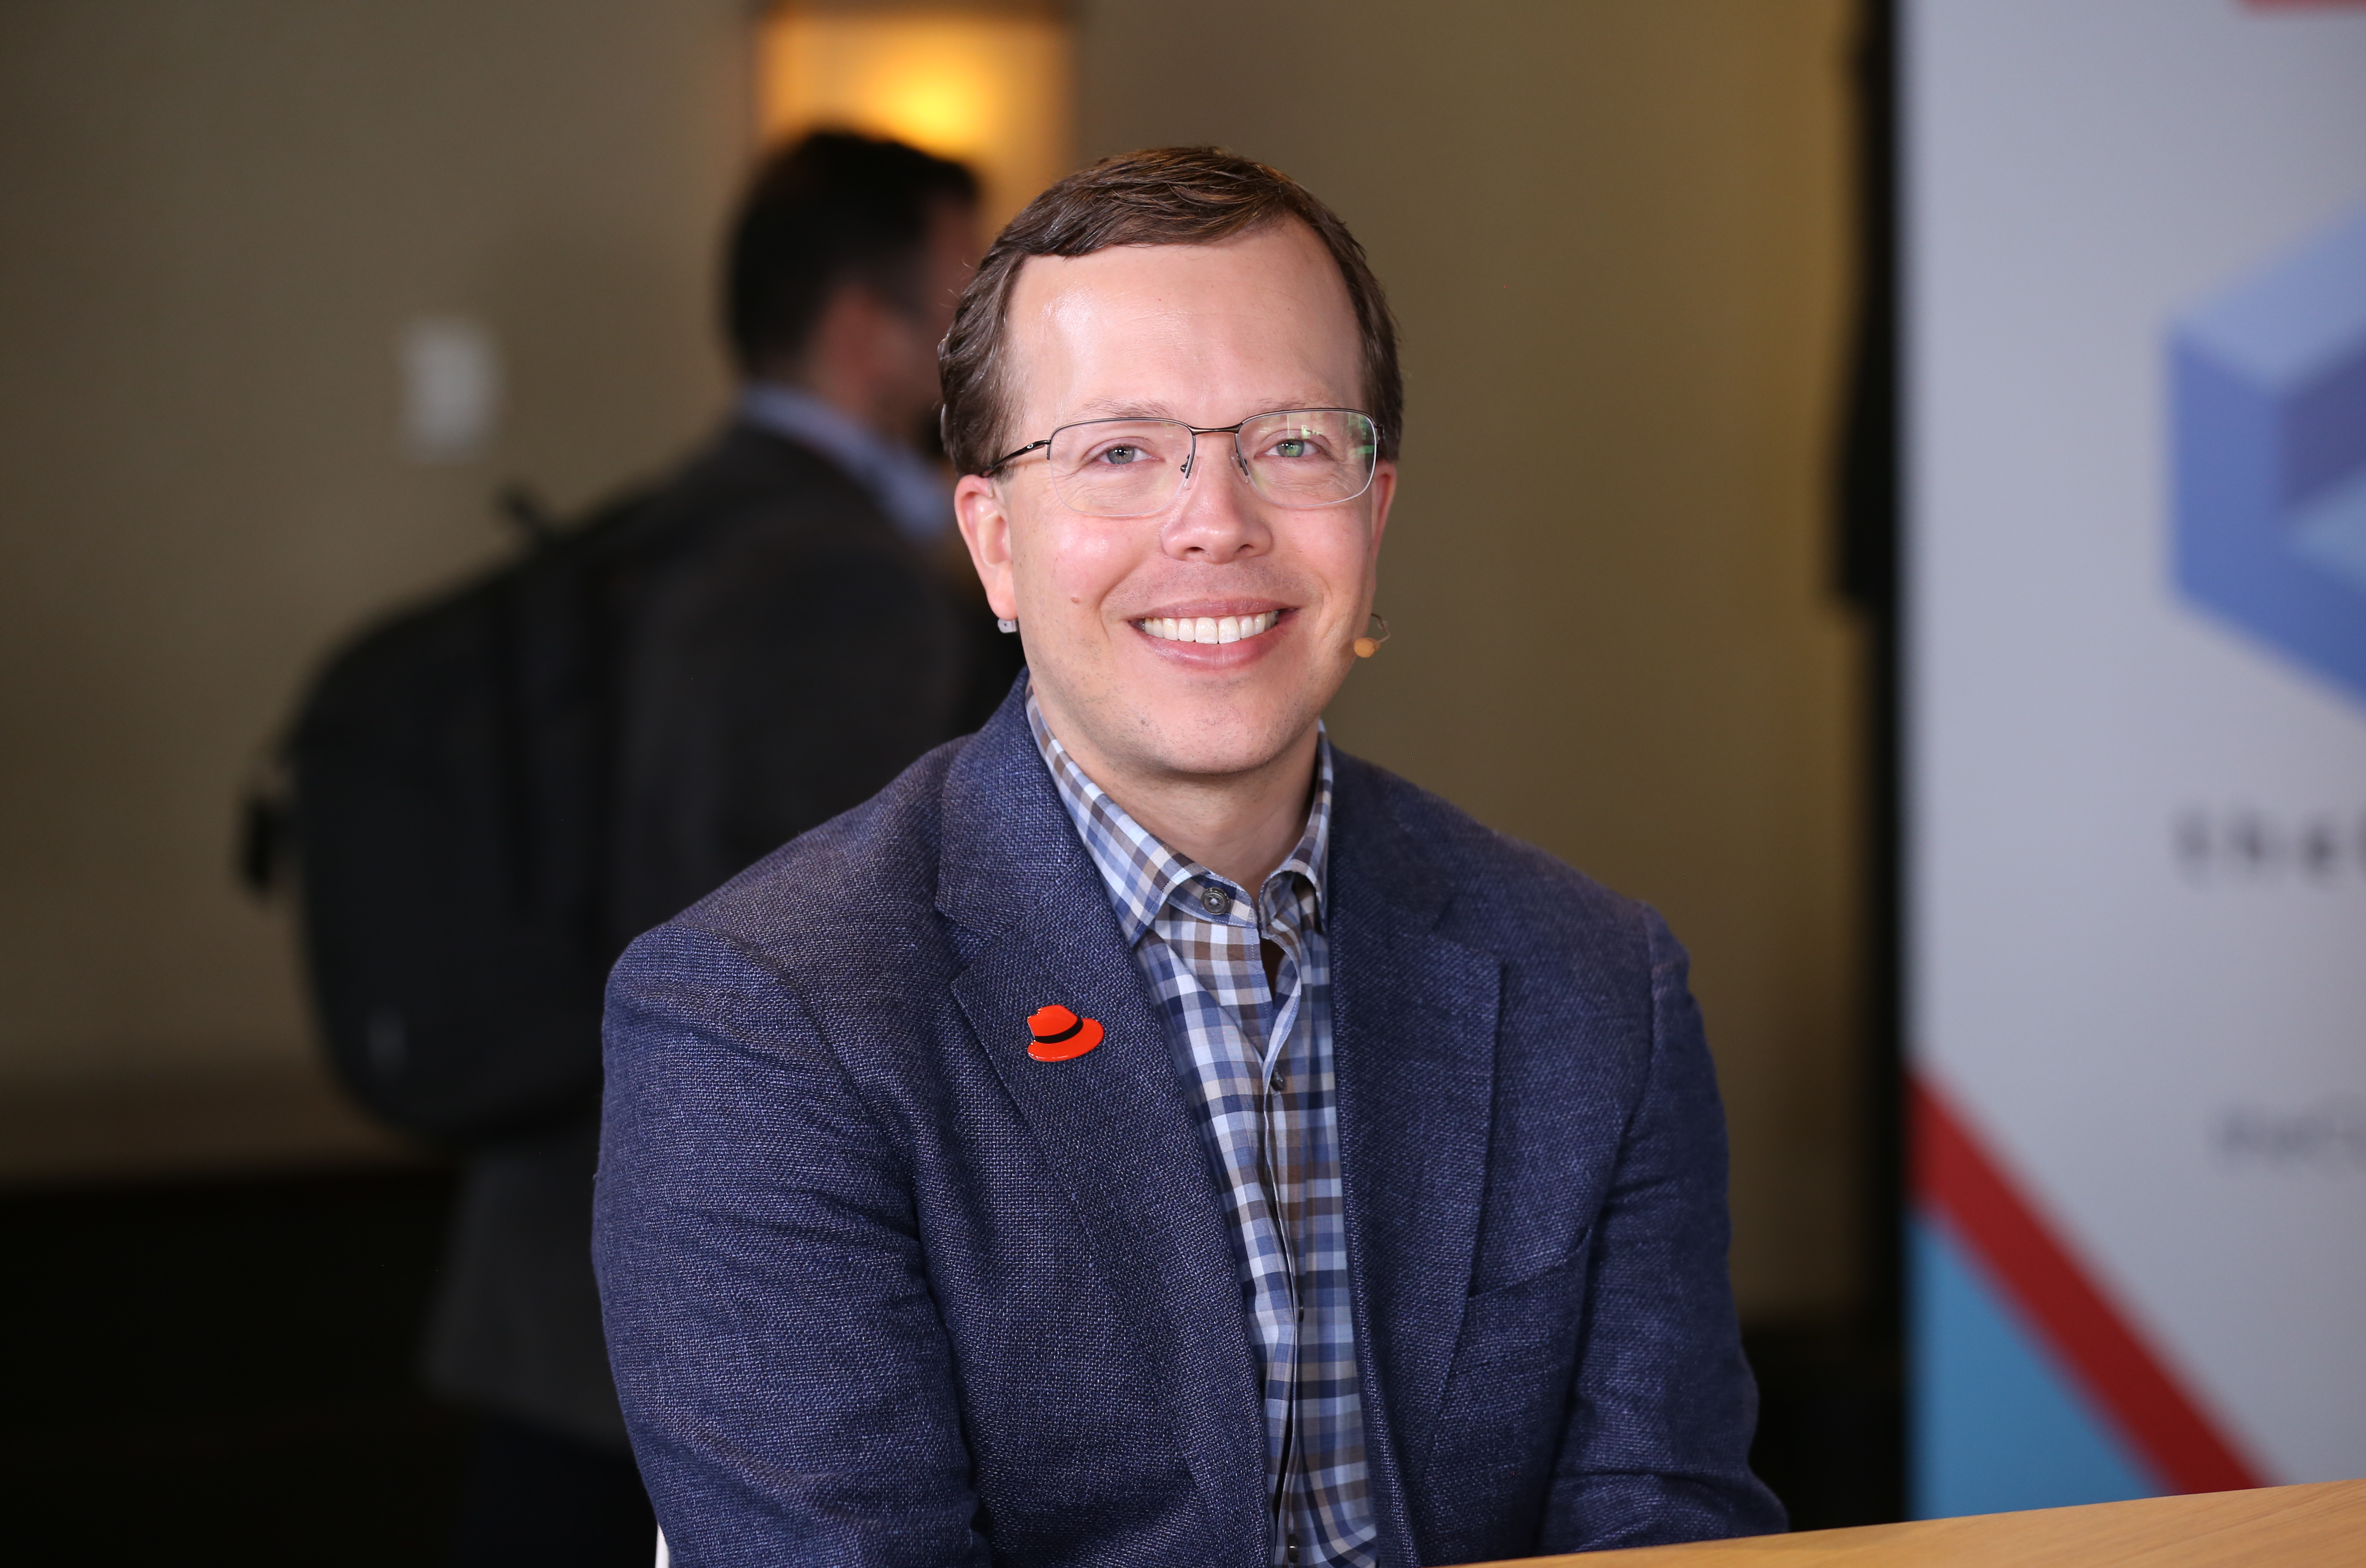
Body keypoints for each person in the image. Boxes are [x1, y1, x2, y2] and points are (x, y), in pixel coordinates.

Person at [594, 147, 1785, 1567]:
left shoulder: (1597, 985)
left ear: (1375, 512)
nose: (1215, 524)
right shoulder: (762, 1024)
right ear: (994, 546)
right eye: (1120, 453)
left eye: (1291, 443)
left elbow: (1664, 1530)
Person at [425, 131, 1012, 1566]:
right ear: (870, 334)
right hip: (693, 1282)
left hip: (552, 1235)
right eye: (967, 306)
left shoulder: (671, 522)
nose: (990, 349)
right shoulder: (842, 586)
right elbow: (844, 958)